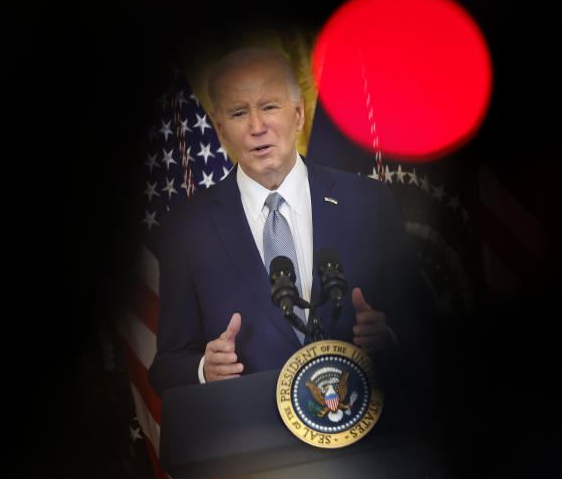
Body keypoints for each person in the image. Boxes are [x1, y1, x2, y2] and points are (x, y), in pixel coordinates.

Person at [147, 48, 418, 394]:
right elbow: (165, 367)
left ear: (300, 113)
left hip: (367, 425)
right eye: (239, 113)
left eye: (269, 107)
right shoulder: (186, 230)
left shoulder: (369, 201)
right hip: (255, 438)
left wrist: (390, 338)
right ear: (219, 128)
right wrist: (204, 368)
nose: (257, 127)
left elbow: (422, 327)